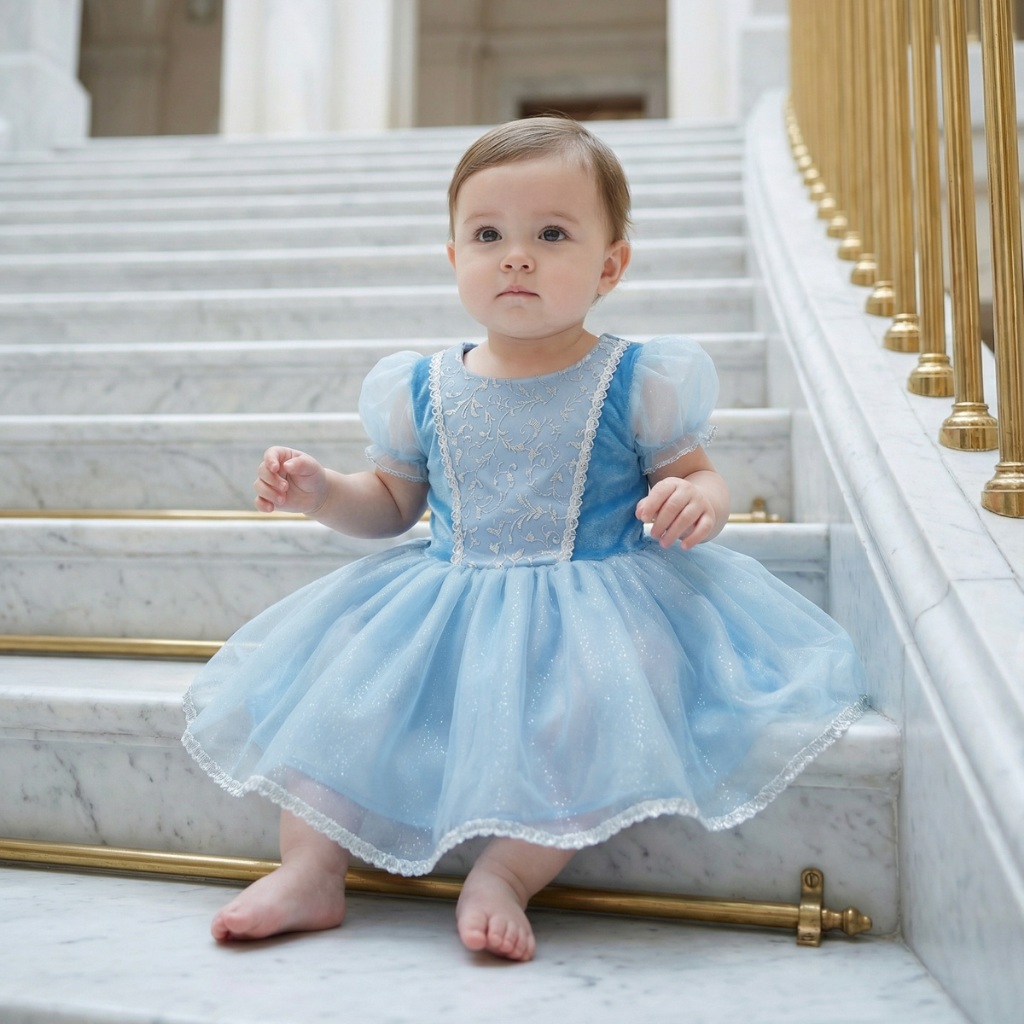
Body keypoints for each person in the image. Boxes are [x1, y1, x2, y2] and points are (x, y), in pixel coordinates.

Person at [182, 116, 866, 963]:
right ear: (454, 259)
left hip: (596, 596)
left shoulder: (635, 378)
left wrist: (697, 499)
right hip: (451, 594)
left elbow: (699, 474)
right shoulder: (423, 385)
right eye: (488, 235)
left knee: (619, 685)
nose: (516, 255)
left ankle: (507, 871)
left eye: (551, 233)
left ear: (610, 264)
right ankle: (312, 865)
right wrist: (323, 492)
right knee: (346, 670)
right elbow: (393, 504)